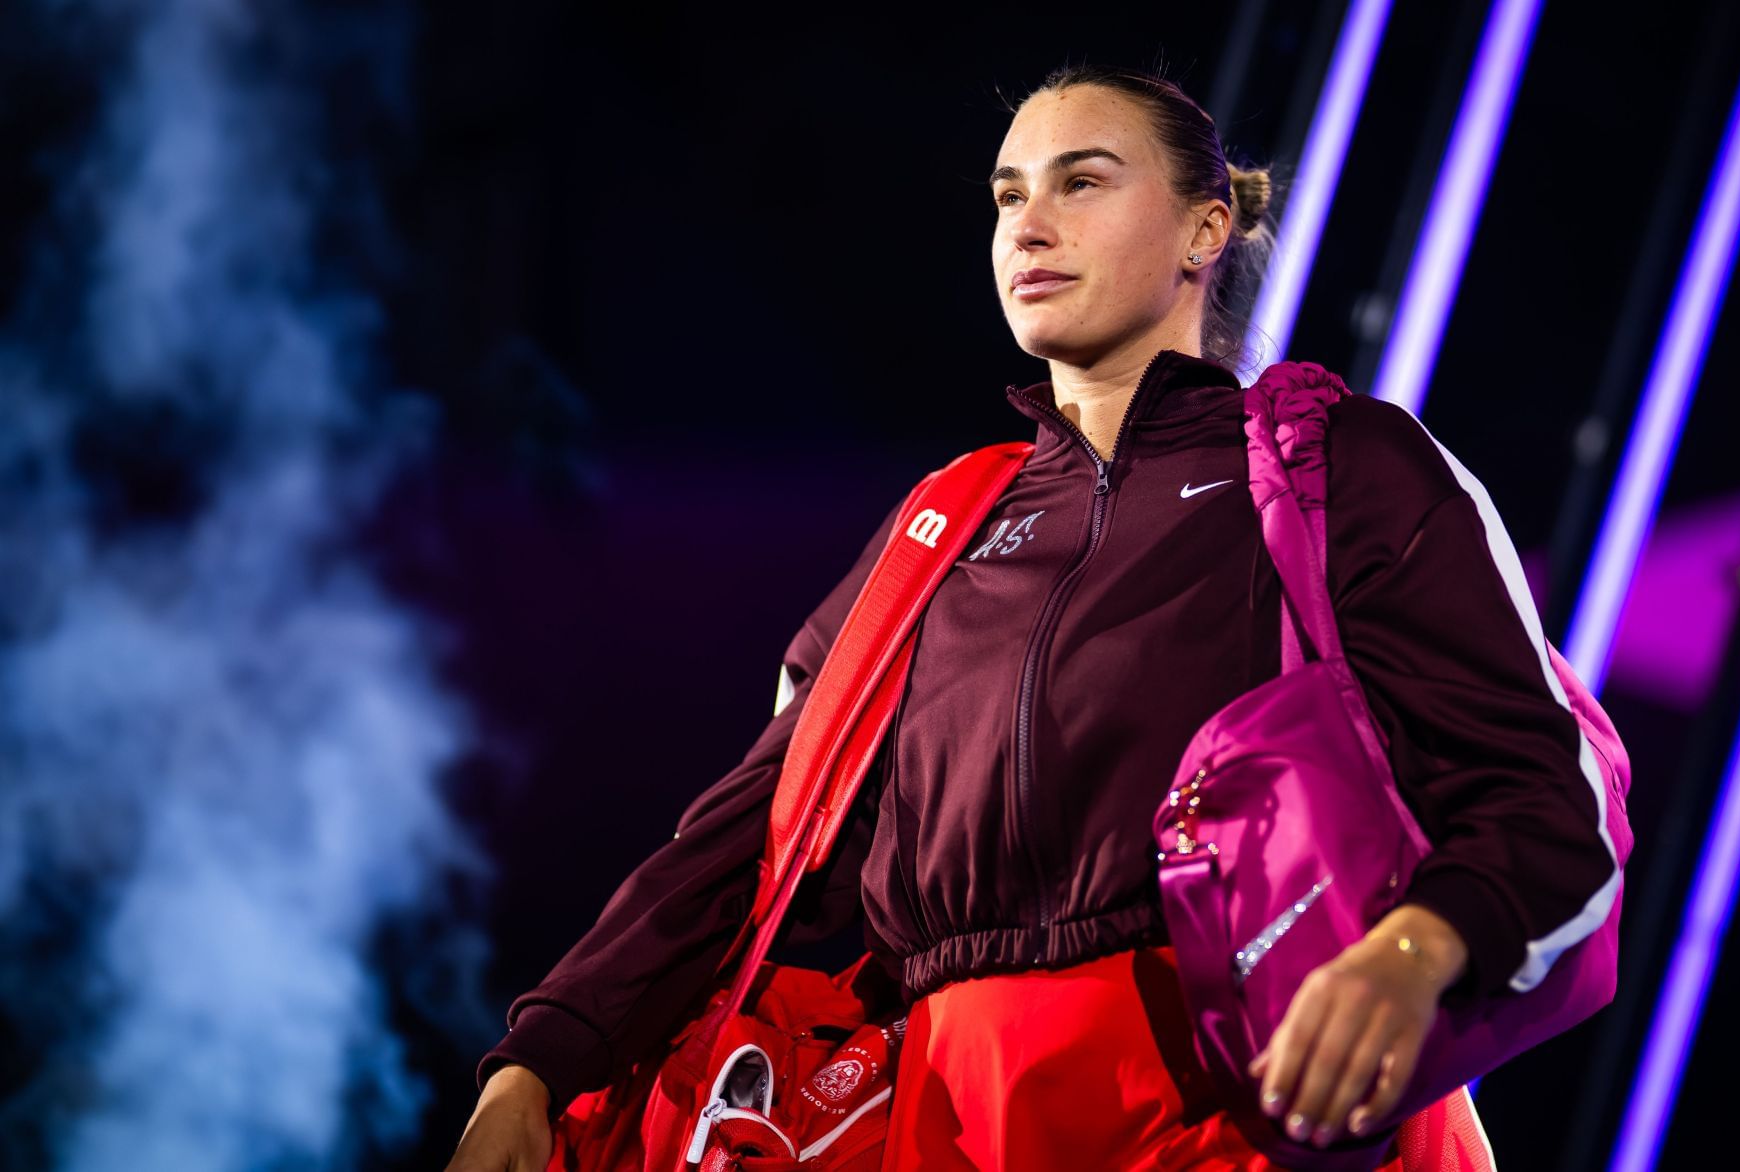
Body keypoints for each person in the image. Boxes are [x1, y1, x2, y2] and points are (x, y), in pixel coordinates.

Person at [445, 62, 1621, 1171]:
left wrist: (1418, 949)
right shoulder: (940, 528)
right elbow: (748, 838)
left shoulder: (1335, 469)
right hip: (953, 1114)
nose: (1028, 223)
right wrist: (535, 1064)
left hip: (1244, 1103)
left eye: (1083, 181)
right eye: (1009, 194)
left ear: (1206, 232)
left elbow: (1547, 787)